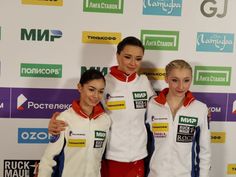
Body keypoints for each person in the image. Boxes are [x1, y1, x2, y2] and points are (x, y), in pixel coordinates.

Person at [48, 36, 156, 177]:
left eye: (138, 58)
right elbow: (84, 113)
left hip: (139, 157)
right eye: (128, 57)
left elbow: (159, 108)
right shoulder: (105, 83)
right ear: (117, 56)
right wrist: (55, 127)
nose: (133, 63)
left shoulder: (144, 82)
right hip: (110, 157)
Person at [38, 69, 111, 177]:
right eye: (91, 89)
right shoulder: (64, 118)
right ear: (80, 87)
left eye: (100, 91)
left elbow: (100, 158)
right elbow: (48, 160)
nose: (96, 96)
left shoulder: (105, 120)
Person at [145, 59, 211, 177]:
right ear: (166, 78)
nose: (181, 86)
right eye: (175, 80)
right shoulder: (151, 106)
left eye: (186, 80)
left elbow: (205, 152)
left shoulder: (200, 109)